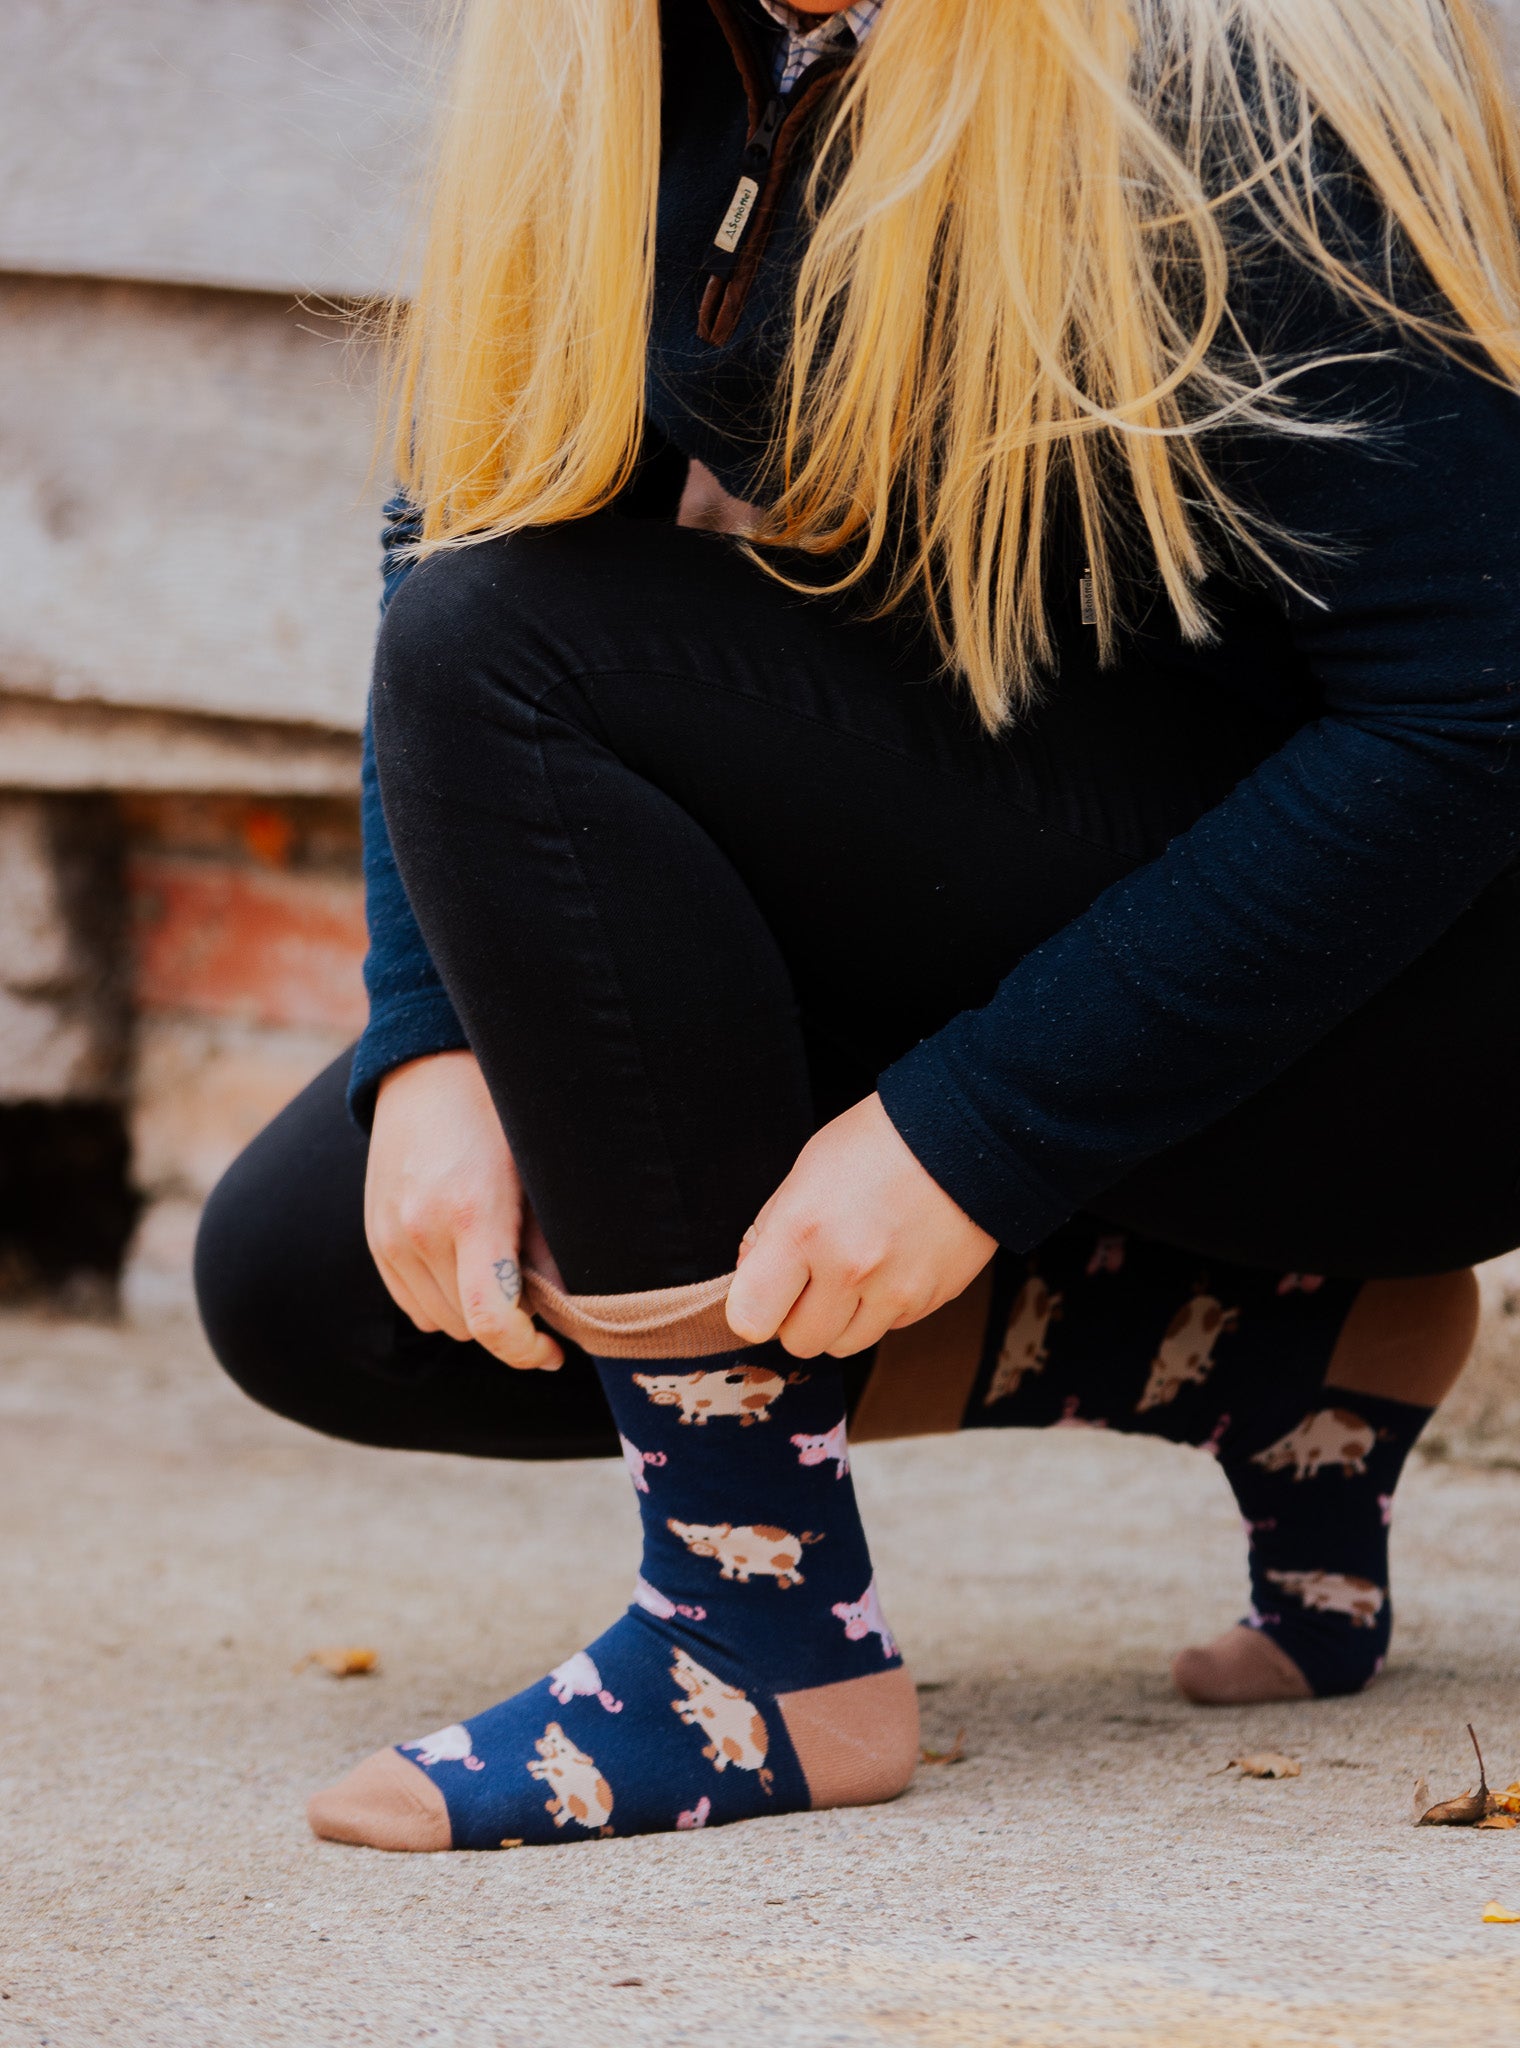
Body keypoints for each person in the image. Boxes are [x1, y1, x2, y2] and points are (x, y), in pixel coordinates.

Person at [196, 0, 1520, 1853]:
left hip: (1427, 1013)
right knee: (336, 1285)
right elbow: (476, 508)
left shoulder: (1221, 70)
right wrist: (431, 1037)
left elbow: (1475, 715)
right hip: (1081, 870)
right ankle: (1255, 1344)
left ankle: (755, 1636)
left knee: (519, 662)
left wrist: (972, 1135)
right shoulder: (642, 48)